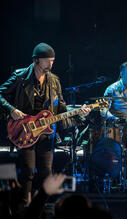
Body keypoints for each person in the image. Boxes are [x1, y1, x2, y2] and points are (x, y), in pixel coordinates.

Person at [0, 43, 91, 202]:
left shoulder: (54, 81)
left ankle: (41, 208)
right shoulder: (20, 77)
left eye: (53, 61)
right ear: (36, 61)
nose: (50, 64)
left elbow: (61, 108)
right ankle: (24, 206)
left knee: (46, 173)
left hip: (46, 134)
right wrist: (11, 110)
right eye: (47, 60)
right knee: (28, 170)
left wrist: (79, 113)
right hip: (24, 130)